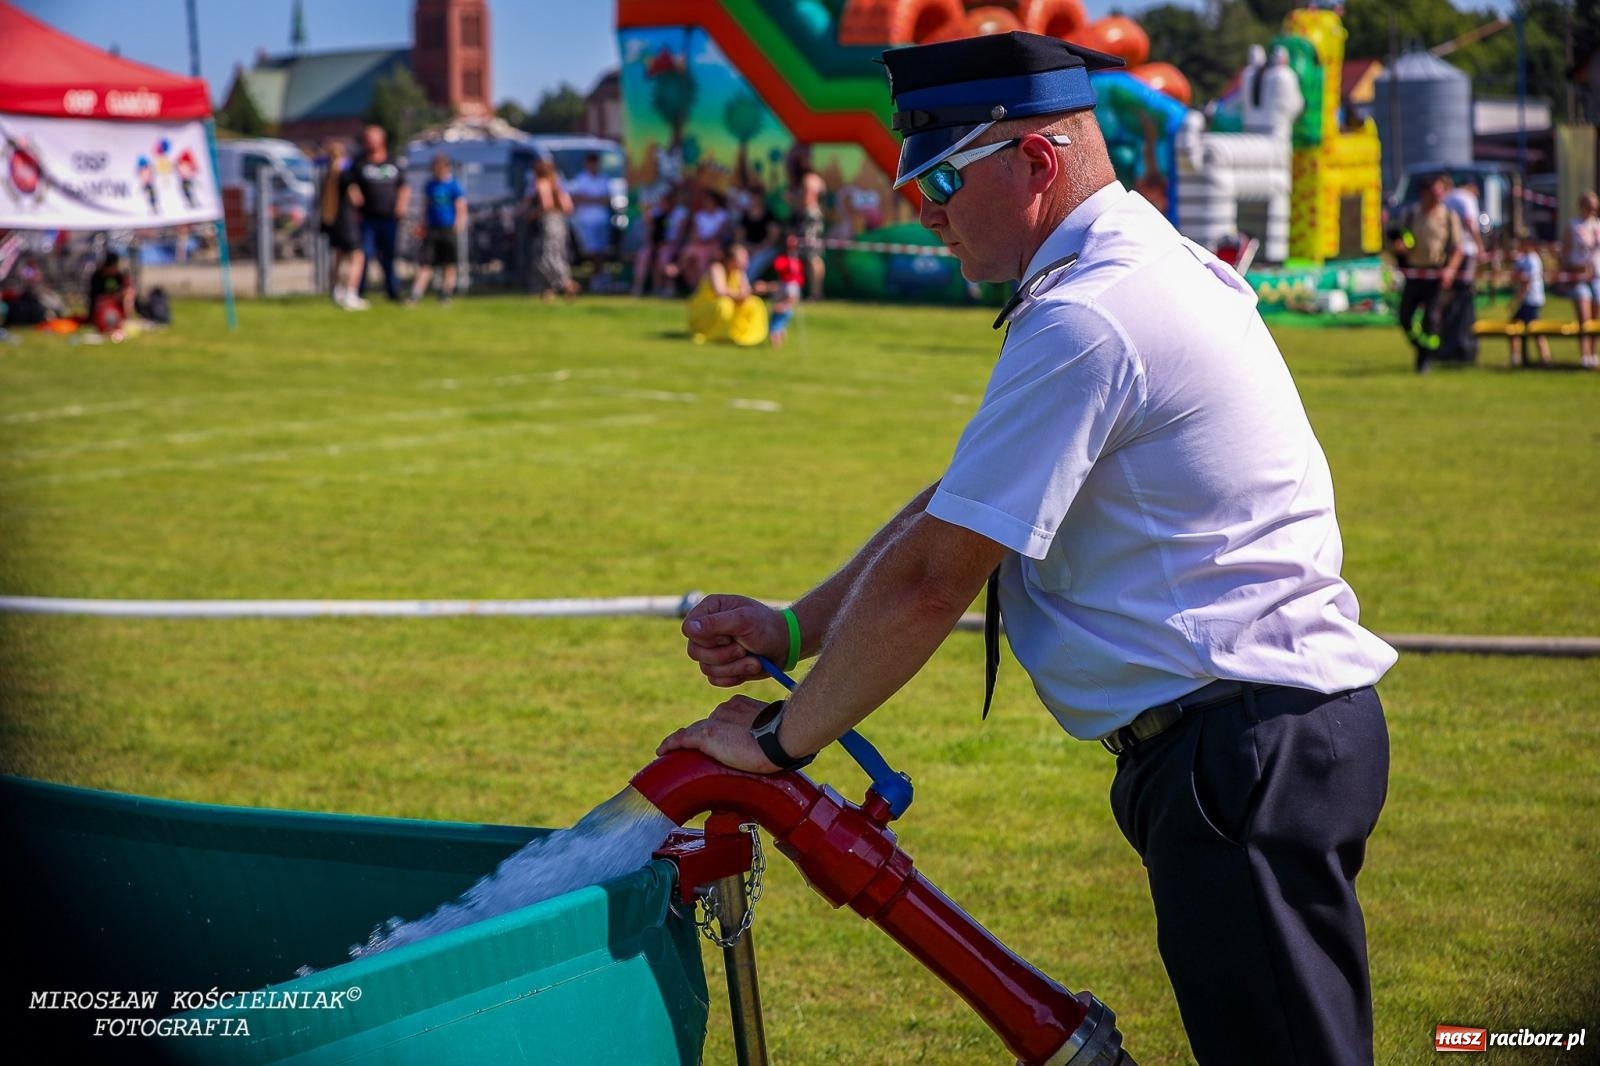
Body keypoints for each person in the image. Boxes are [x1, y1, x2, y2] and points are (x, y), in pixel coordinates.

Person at [659, 31, 1396, 1066]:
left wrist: (780, 740)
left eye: (942, 178)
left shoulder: (1093, 312)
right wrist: (793, 627)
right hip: (1249, 739)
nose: (924, 208)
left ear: (1037, 162)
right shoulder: (1128, 270)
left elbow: (932, 581)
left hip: (1243, 746)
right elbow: (962, 506)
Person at [1391, 171, 1463, 373]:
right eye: (1434, 192)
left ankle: (1425, 359)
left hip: (1436, 274)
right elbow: (1399, 239)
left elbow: (1458, 248)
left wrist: (1450, 270)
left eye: (1441, 192)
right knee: (1405, 317)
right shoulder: (1411, 214)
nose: (1438, 196)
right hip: (1414, 273)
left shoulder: (1448, 216)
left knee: (1431, 319)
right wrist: (1399, 247)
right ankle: (1422, 348)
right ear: (1424, 192)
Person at [344, 124, 409, 302]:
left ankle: (392, 291)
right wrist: (354, 197)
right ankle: (359, 291)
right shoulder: (359, 163)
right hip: (367, 218)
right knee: (364, 254)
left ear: (382, 141)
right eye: (367, 140)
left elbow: (404, 186)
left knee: (389, 256)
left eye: (372, 139)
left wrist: (401, 206)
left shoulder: (393, 162)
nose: (369, 143)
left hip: (389, 218)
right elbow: (349, 183)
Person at [409, 153, 466, 306]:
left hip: (448, 228)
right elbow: (425, 206)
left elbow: (461, 205)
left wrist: (458, 223)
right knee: (426, 263)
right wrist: (422, 224)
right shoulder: (430, 185)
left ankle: (446, 294)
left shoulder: (453, 185)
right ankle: (415, 294)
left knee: (449, 263)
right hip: (432, 229)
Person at [686, 242, 767, 346]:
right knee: (724, 304)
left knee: (754, 303)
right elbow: (720, 291)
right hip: (705, 310)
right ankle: (716, 335)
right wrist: (739, 296)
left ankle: (748, 338)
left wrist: (756, 290)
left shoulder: (739, 272)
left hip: (730, 303)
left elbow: (745, 292)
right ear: (731, 259)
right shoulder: (717, 268)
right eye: (743, 257)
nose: (746, 260)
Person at [320, 139, 367, 311]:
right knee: (357, 257)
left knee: (338, 257)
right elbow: (357, 199)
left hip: (332, 221)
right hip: (346, 221)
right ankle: (350, 293)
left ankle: (335, 291)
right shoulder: (345, 176)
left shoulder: (327, 175)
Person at [522, 159, 577, 301]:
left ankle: (566, 284)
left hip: (546, 223)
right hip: (560, 222)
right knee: (558, 255)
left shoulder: (542, 183)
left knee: (545, 257)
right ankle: (548, 291)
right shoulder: (557, 184)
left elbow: (546, 205)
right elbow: (568, 207)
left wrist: (532, 214)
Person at [1559, 189, 1600, 369]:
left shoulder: (1597, 225)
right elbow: (1565, 254)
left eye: (1595, 207)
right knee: (1584, 317)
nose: (1592, 210)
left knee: (1595, 320)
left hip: (1597, 276)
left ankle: (1593, 353)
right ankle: (1584, 355)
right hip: (1579, 277)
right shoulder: (1573, 226)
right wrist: (1567, 274)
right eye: (1590, 206)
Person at [566, 152, 615, 286]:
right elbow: (575, 199)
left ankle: (598, 277)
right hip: (586, 220)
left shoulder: (604, 179)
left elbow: (607, 200)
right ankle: (594, 277)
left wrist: (587, 198)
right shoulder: (580, 179)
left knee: (601, 250)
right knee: (591, 250)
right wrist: (596, 199)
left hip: (602, 220)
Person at [1508, 233, 1551, 368]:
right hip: (1527, 300)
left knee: (1532, 330)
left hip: (1531, 300)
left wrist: (1516, 300)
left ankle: (1544, 358)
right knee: (1517, 327)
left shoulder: (1532, 260)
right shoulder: (1523, 258)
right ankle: (1520, 358)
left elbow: (1526, 282)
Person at [676, 188, 733, 291]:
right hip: (699, 244)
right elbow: (694, 232)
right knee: (687, 257)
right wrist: (698, 241)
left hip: (714, 245)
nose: (707, 203)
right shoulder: (699, 215)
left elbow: (720, 233)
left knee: (702, 258)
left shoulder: (722, 215)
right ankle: (693, 285)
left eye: (709, 201)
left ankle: (703, 287)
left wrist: (706, 241)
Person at [761, 232, 805, 347]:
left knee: (776, 327)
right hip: (784, 297)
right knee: (779, 326)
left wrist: (783, 305)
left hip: (784, 307)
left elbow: (793, 298)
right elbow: (778, 266)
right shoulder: (783, 261)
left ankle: (777, 347)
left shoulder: (792, 282)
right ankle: (778, 346)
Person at [85, 249, 135, 334]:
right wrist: (115, 297)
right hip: (101, 309)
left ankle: (126, 319)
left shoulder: (119, 276)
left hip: (116, 307)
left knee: (129, 294)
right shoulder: (97, 277)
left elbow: (127, 289)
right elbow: (97, 299)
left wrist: (128, 291)